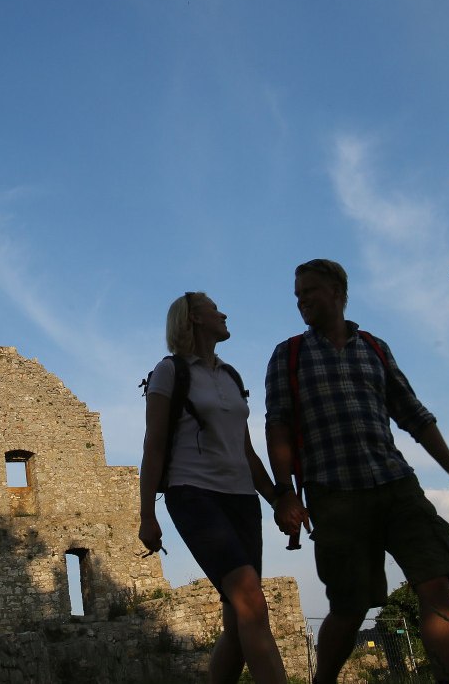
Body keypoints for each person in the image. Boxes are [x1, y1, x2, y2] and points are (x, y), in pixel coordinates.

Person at [264, 259, 449, 684]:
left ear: (338, 293)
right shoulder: (288, 355)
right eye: (297, 295)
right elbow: (278, 425)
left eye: (309, 291)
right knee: (350, 606)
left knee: (434, 582)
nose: (302, 300)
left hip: (396, 484)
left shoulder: (375, 348)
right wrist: (284, 492)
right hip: (334, 494)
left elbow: (415, 416)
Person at [139, 291, 289, 684]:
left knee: (239, 625)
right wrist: (147, 515)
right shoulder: (169, 371)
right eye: (213, 308)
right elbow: (153, 446)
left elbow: (247, 452)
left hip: (241, 499)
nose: (223, 313)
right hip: (193, 494)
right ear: (193, 319)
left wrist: (278, 500)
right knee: (252, 604)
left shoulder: (231, 375)